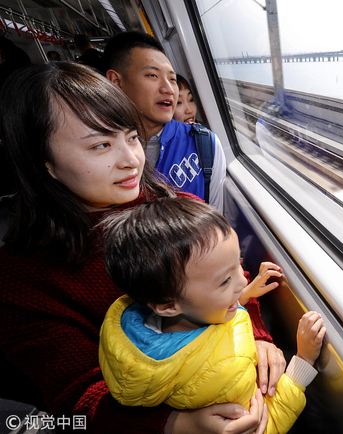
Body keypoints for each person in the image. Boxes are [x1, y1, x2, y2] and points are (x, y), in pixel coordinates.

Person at [0, 61, 285, 433]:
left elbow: (231, 278)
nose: (130, 160)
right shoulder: (23, 278)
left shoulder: (179, 207)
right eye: (101, 144)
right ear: (45, 163)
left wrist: (258, 338)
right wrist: (177, 424)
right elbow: (76, 399)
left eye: (131, 137)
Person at [100, 197, 326, 434]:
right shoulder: (222, 375)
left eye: (238, 263)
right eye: (225, 280)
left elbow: (202, 308)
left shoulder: (140, 325)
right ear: (168, 306)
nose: (242, 280)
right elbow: (267, 423)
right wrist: (304, 360)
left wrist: (244, 295)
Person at [104, 31, 226, 211]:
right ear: (116, 82)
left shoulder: (205, 144)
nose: (169, 89)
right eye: (152, 76)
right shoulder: (95, 152)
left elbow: (215, 217)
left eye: (172, 79)